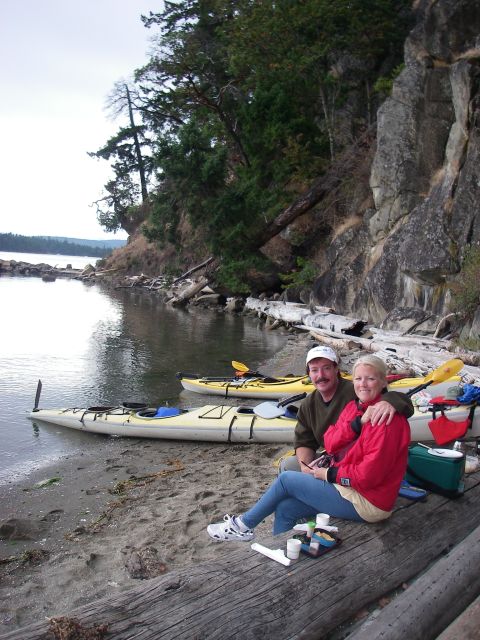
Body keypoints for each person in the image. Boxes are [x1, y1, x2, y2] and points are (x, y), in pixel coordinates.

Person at [207, 354, 412, 541]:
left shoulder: (385, 419)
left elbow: (369, 476)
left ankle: (242, 525)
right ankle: (282, 551)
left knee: (287, 479)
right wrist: (357, 424)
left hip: (369, 500)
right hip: (350, 487)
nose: (363, 384)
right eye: (358, 379)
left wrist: (329, 474)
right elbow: (330, 442)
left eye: (370, 379)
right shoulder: (355, 406)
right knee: (286, 508)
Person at [281, 345, 413, 472]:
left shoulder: (356, 390)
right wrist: (305, 467)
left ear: (336, 369)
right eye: (314, 370)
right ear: (308, 374)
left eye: (326, 368)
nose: (321, 375)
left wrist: (389, 401)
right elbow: (304, 441)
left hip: (358, 464)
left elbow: (392, 397)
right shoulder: (308, 405)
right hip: (333, 459)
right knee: (288, 465)